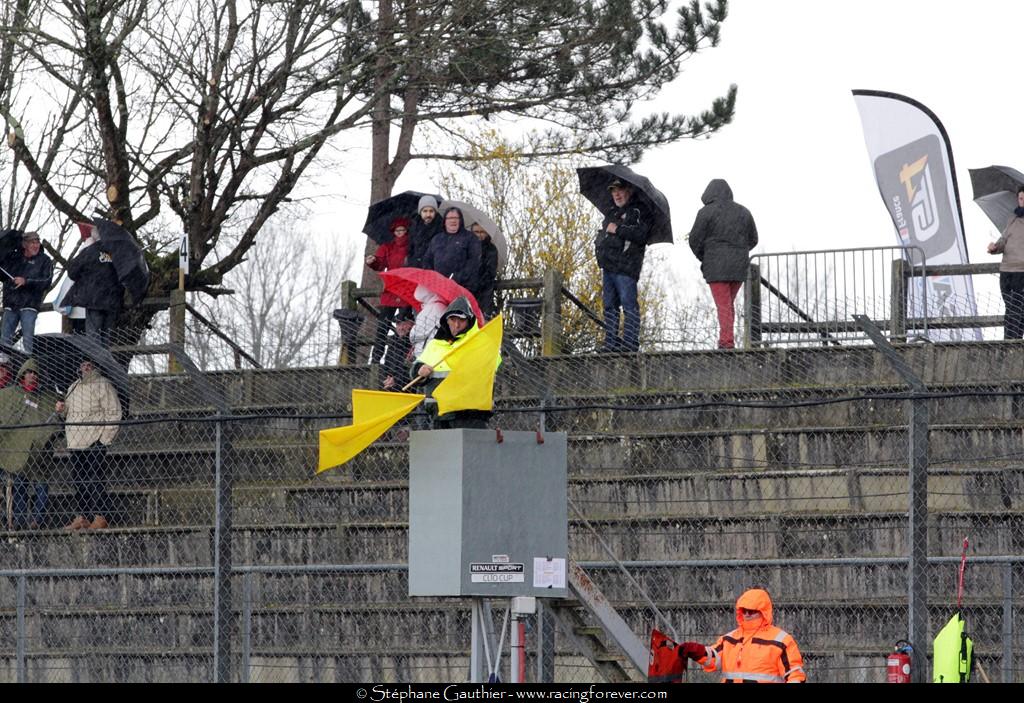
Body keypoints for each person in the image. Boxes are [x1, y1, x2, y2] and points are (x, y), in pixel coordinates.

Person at [675, 588, 806, 683]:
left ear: (763, 612)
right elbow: (714, 658)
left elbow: (795, 675)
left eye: (752, 610)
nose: (747, 614)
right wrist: (697, 651)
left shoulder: (781, 640)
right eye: (744, 610)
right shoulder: (729, 638)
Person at [688, 179, 758, 350]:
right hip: (738, 267)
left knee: (724, 304)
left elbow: (694, 240)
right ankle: (726, 339)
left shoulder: (705, 212)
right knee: (727, 304)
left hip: (716, 267)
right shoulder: (744, 212)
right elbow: (753, 239)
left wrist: (705, 257)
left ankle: (726, 342)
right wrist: (739, 252)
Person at [57, 359, 122, 530]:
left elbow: (114, 412)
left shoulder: (103, 385)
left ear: (94, 366)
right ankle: (83, 517)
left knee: (96, 479)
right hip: (75, 441)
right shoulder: (73, 387)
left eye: (89, 365)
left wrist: (104, 439)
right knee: (79, 480)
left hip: (95, 439)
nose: (85, 368)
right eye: (82, 364)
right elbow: (67, 414)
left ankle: (101, 516)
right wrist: (61, 409)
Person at [411, 296, 494, 429]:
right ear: (446, 320)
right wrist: (420, 370)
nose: (456, 325)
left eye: (461, 320)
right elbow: (416, 371)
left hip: (470, 414)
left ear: (469, 321)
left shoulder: (481, 342)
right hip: (440, 413)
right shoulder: (436, 344)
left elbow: (490, 367)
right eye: (453, 320)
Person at [0, 358, 59, 529]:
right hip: (16, 451)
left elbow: (56, 422)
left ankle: (37, 521)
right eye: (28, 373)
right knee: (19, 484)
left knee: (41, 485)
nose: (32, 376)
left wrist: (59, 411)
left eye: (35, 373)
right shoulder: (9, 394)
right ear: (22, 375)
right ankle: (18, 521)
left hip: (39, 453)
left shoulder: (48, 397)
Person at [595, 179, 650, 352]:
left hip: (626, 266)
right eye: (613, 191)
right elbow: (606, 232)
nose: (616, 194)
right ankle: (611, 343)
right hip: (608, 266)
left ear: (629, 190)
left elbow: (641, 235)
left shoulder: (640, 210)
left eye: (620, 190)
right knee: (609, 306)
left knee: (628, 305)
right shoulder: (611, 212)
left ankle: (630, 344)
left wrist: (617, 229)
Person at [63, 227, 124, 347]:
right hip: (113, 300)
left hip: (94, 300)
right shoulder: (117, 252)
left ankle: (96, 362)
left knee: (93, 336)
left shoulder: (90, 251)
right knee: (107, 337)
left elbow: (72, 272)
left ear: (94, 237)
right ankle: (105, 363)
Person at [366, 217, 413, 364]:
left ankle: (399, 360)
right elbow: (380, 263)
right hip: (391, 289)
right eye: (397, 230)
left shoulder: (413, 245)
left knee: (404, 327)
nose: (400, 233)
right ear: (393, 232)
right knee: (382, 326)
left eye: (402, 230)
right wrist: (373, 261)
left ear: (407, 231)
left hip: (408, 289)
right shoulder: (387, 247)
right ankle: (376, 358)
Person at [0, 231, 54, 354]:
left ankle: (28, 366)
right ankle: (3, 366)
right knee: (4, 339)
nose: (35, 245)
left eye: (37, 242)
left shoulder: (44, 260)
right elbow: (3, 276)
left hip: (30, 305)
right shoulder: (13, 257)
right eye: (32, 242)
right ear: (24, 244)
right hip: (11, 303)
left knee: (28, 341)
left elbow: (46, 281)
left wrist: (26, 281)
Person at [987, 185, 1024, 339]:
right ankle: (1010, 343)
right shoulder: (1012, 219)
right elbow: (1003, 241)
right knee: (1011, 308)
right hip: (1007, 271)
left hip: (1022, 271)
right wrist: (994, 247)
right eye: (1021, 198)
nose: (1023, 201)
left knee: (1017, 308)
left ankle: (1013, 342)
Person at [423, 207, 481, 290]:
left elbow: (474, 262)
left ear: (460, 220)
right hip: (439, 287)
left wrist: (457, 278)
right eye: (450, 218)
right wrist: (433, 277)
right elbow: (427, 260)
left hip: (463, 287)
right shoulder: (437, 239)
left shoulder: (470, 238)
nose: (453, 220)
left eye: (456, 218)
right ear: (445, 221)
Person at [470, 222, 499, 320]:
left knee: (484, 319)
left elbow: (490, 272)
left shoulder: (491, 249)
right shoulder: (467, 247)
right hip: (468, 289)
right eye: (476, 232)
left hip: (485, 292)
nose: (479, 235)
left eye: (482, 232)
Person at [382, 308, 415, 391]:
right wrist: (388, 377)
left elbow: (411, 370)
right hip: (392, 385)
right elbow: (386, 365)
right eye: (398, 324)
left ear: (412, 324)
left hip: (410, 387)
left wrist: (395, 380)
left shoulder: (414, 343)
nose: (400, 328)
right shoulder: (393, 343)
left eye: (404, 324)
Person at [408, 195, 442, 269]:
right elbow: (411, 249)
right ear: (420, 212)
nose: (428, 215)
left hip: (434, 268)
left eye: (431, 211)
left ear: (435, 212)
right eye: (425, 211)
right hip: (416, 267)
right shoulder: (414, 227)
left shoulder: (442, 227)